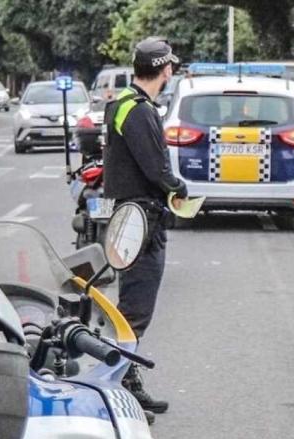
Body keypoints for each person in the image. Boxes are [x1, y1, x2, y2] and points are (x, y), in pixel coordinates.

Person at [103, 37, 187, 414]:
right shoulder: (139, 110)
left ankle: (126, 379)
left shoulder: (122, 104)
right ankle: (115, 388)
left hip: (131, 215)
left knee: (131, 309)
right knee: (136, 310)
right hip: (141, 220)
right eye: (171, 67)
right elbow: (157, 170)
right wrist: (179, 188)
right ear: (165, 70)